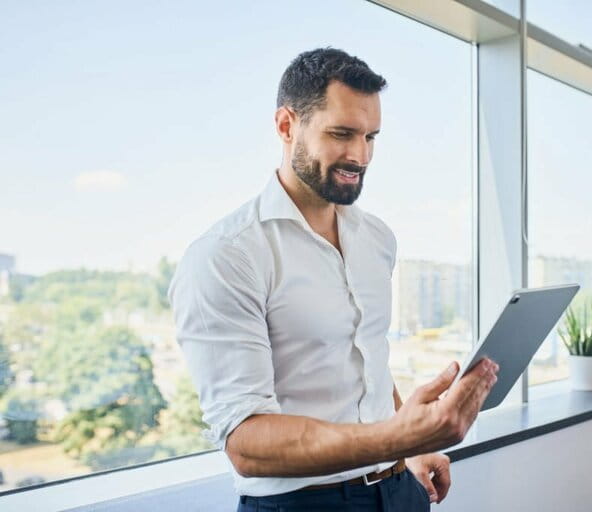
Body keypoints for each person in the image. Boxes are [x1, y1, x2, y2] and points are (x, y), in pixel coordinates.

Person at [168, 47, 499, 512]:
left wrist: (414, 445)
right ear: (287, 126)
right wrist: (398, 434)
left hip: (401, 489)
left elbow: (368, 367)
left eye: (371, 137)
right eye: (341, 134)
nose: (360, 155)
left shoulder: (377, 239)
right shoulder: (227, 255)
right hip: (303, 504)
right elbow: (246, 443)